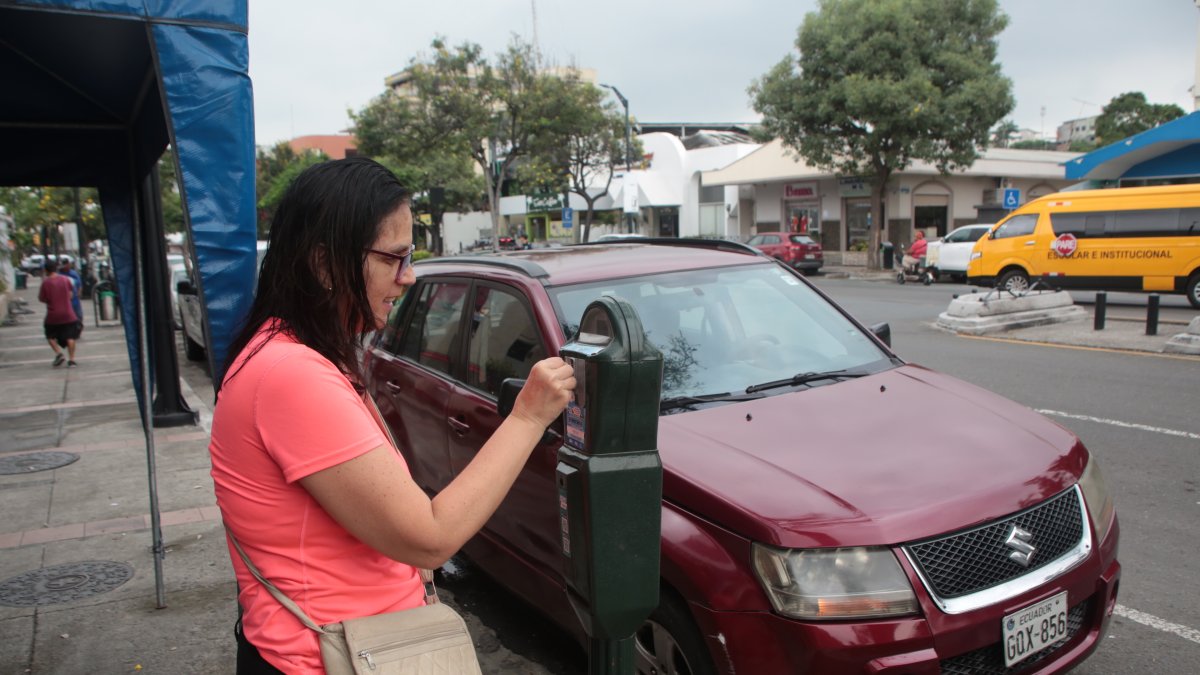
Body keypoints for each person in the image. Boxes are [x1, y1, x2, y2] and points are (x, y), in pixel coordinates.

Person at [208, 157, 575, 674]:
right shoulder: (290, 373)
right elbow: (429, 538)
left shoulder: (290, 349)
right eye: (395, 258)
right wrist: (528, 418)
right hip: (329, 658)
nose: (409, 277)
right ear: (323, 264)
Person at [37, 260, 81, 367]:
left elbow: (41, 298)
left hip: (53, 315)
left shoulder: (46, 283)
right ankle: (72, 360)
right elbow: (71, 295)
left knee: (50, 336)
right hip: (68, 314)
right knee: (70, 337)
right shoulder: (65, 280)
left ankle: (59, 353)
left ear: (46, 270)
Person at [59, 259, 85, 339]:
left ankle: (77, 330)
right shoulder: (60, 275)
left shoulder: (73, 273)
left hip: (75, 299)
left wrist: (79, 292)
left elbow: (79, 284)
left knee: (78, 316)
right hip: (64, 300)